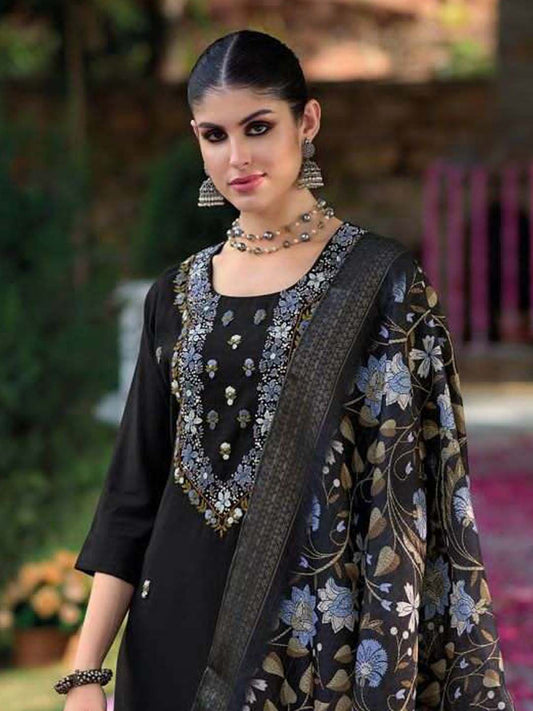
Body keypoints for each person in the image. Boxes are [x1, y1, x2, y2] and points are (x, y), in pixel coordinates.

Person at [57, 29, 516, 711]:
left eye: (258, 127)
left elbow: (417, 500)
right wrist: (86, 671)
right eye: (214, 135)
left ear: (308, 121)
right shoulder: (174, 295)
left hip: (319, 651)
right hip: (168, 646)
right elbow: (133, 492)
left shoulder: (382, 284)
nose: (236, 157)